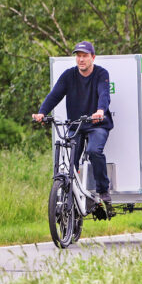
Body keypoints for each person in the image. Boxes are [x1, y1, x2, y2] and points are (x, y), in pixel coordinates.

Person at [31, 40, 113, 204]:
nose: (81, 59)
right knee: (70, 160)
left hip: (97, 124)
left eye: (85, 56)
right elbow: (54, 95)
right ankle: (71, 195)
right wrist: (42, 112)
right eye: (78, 56)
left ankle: (103, 190)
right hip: (76, 125)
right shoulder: (69, 75)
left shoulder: (101, 74)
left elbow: (104, 94)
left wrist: (100, 111)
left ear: (93, 57)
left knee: (93, 151)